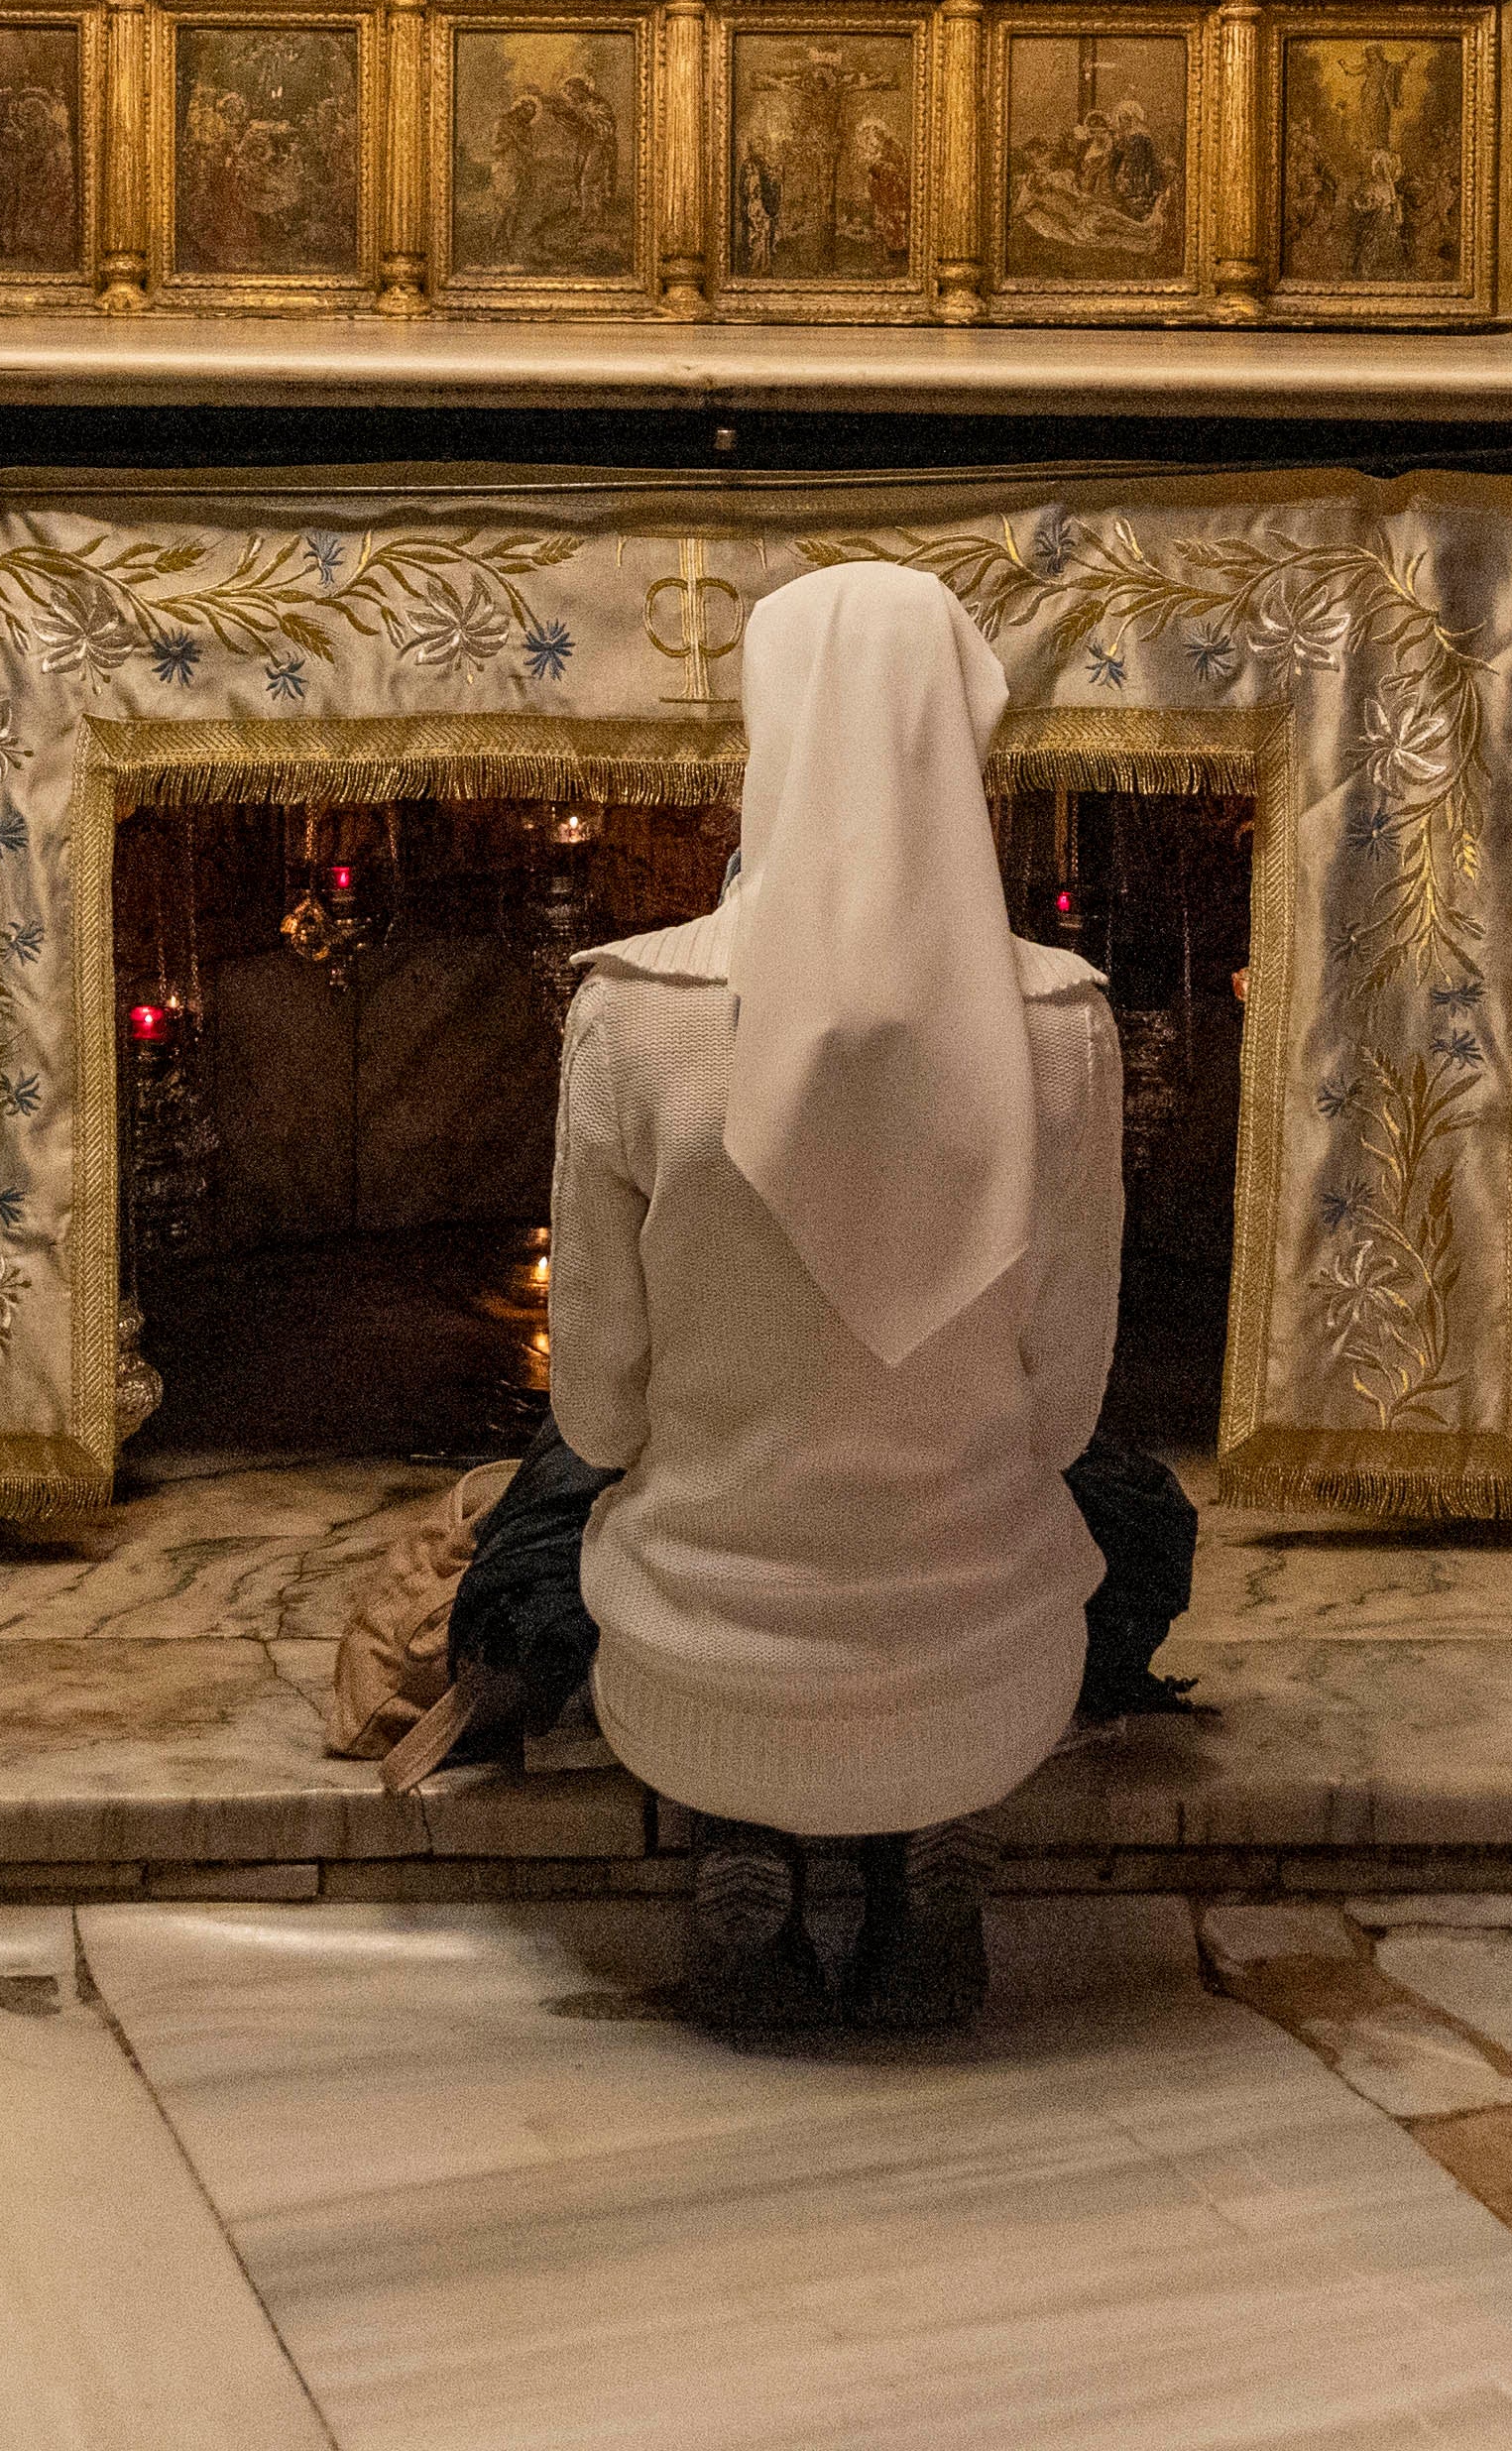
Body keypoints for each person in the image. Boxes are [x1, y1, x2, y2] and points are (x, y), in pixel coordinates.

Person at [546, 561, 1134, 2033]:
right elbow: (1066, 1404)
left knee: (538, 1511)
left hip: (696, 1666)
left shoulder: (630, 1013)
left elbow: (599, 1406)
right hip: (988, 1662)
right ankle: (933, 1845)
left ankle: (743, 1846)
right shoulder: (1065, 1024)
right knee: (1143, 1521)